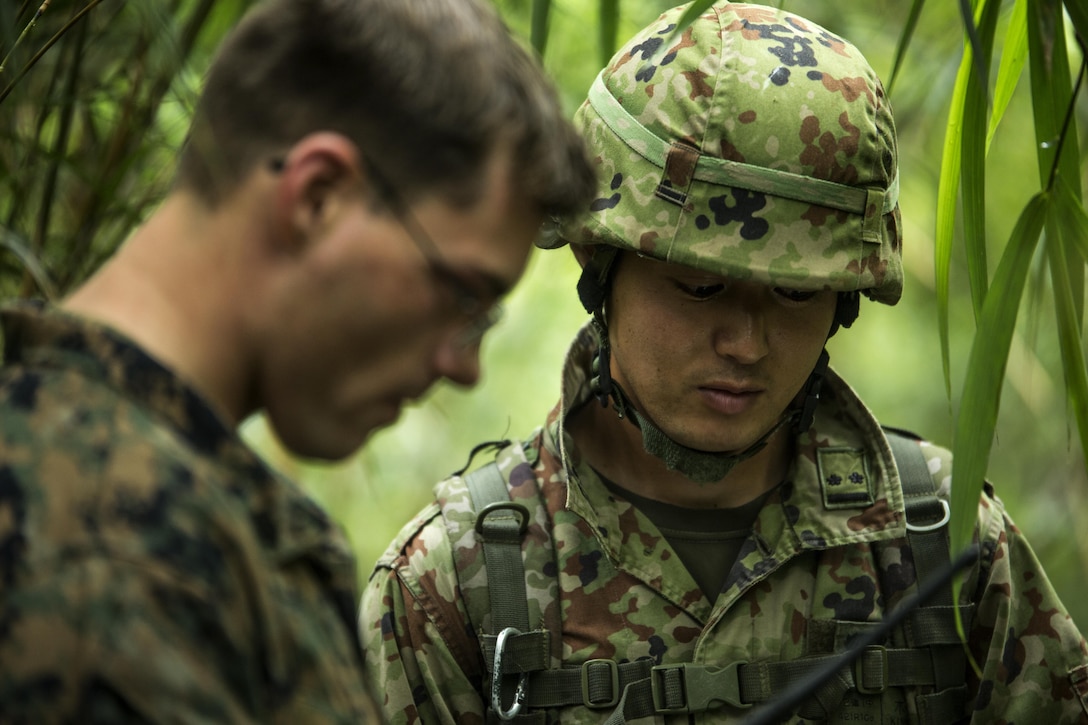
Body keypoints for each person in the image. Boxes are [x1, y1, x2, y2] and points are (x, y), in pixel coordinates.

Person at [360, 3, 1088, 723]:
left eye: (796, 292)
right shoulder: (456, 587)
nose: (745, 341)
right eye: (700, 286)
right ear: (600, 259)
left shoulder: (945, 546)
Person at [0, 0, 595, 720]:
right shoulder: (115, 552)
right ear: (317, 197)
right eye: (462, 297)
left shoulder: (147, 490)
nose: (464, 365)